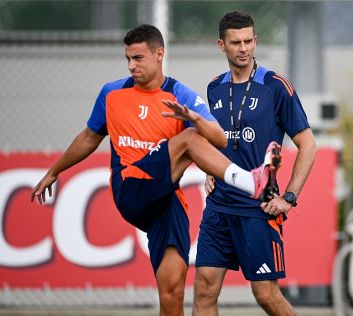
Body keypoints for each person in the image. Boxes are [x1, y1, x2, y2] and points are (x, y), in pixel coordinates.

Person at [30, 24, 281, 316]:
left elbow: (220, 137)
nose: (131, 65)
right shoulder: (112, 94)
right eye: (128, 59)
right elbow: (89, 137)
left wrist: (194, 119)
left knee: (173, 291)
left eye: (138, 58)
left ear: (159, 54)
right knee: (188, 139)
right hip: (131, 187)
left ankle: (252, 182)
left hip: (165, 200)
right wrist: (55, 171)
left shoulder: (179, 94)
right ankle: (252, 184)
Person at [193, 11, 317, 316]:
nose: (244, 48)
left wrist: (289, 197)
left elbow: (307, 144)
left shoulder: (275, 86)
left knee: (265, 295)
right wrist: (212, 169)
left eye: (249, 41)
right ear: (221, 44)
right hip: (219, 207)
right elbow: (215, 139)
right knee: (204, 288)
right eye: (236, 42)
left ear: (255, 41)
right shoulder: (214, 88)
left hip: (257, 209)